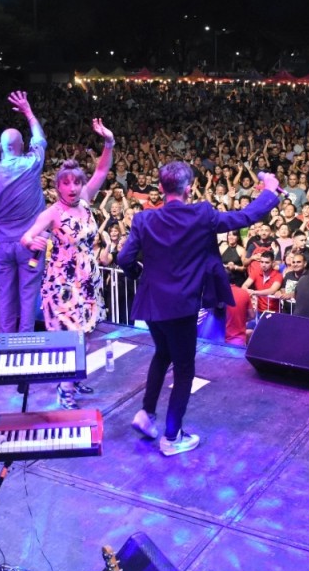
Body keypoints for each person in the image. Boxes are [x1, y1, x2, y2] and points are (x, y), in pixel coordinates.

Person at [119, 162, 281, 456]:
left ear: (160, 188)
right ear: (189, 189)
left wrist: (139, 273)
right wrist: (270, 191)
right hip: (181, 306)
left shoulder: (144, 219)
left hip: (152, 303)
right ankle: (172, 437)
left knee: (162, 353)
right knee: (184, 369)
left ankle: (146, 414)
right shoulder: (202, 214)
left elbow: (124, 259)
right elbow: (245, 216)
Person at [21, 118, 114, 409]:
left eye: (77, 182)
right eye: (66, 182)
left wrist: (108, 142)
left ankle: (73, 378)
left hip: (87, 281)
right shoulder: (52, 213)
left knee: (85, 335)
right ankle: (65, 390)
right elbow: (27, 236)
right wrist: (31, 242)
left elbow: (102, 170)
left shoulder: (85, 201)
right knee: (69, 338)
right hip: (62, 285)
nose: (72, 187)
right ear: (57, 186)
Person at [0, 91, 48, 333]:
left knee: (6, 295)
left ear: (0, 147)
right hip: (31, 244)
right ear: (22, 147)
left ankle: (6, 340)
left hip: (2, 245)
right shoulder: (32, 163)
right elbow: (40, 138)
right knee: (28, 294)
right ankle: (24, 339)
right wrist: (28, 112)